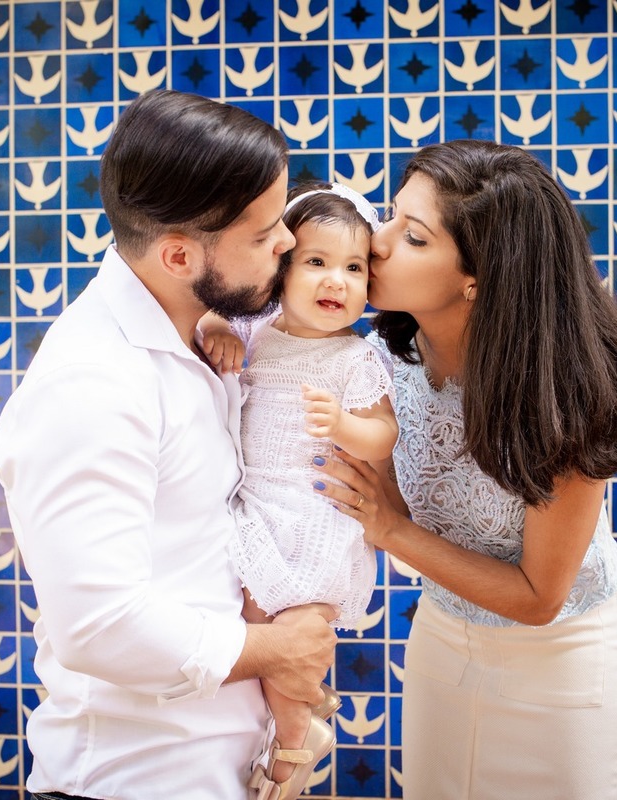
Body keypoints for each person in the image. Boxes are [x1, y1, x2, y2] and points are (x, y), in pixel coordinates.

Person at [0, 90, 337, 800]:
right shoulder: (93, 382)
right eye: (265, 231)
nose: (288, 243)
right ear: (179, 254)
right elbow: (98, 624)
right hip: (134, 781)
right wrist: (280, 649)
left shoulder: (197, 333)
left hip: (212, 770)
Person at [312, 140, 617, 799]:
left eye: (412, 237)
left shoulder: (565, 393)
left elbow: (539, 598)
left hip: (562, 668)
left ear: (478, 275)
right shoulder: (385, 360)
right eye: (389, 217)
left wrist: (389, 530)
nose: (377, 242)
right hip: (444, 643)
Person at [201, 182, 398, 800]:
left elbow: (383, 435)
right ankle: (300, 710)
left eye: (353, 268)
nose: (336, 281)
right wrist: (214, 324)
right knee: (260, 620)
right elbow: (205, 315)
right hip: (259, 505)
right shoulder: (256, 332)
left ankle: (291, 750)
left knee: (300, 624)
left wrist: (345, 427)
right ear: (280, 273)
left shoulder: (355, 358)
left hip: (316, 515)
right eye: (317, 262)